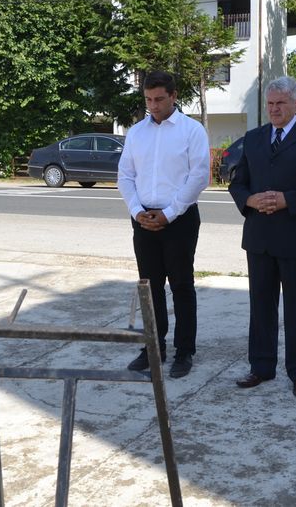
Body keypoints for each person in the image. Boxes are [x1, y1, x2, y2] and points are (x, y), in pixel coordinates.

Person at [228, 76, 296, 398]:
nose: (274, 109)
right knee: (261, 306)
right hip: (259, 238)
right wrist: (249, 200)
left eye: (280, 103)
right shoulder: (254, 138)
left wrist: (287, 200)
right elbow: (238, 183)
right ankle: (261, 367)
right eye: (270, 104)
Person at [118, 71, 210, 378]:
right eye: (148, 99)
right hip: (143, 219)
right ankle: (153, 347)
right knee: (149, 286)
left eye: (159, 99)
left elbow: (199, 176)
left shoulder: (191, 131)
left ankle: (185, 351)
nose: (153, 106)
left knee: (181, 285)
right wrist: (136, 211)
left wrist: (169, 213)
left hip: (180, 219)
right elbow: (125, 176)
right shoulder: (136, 133)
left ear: (173, 96)